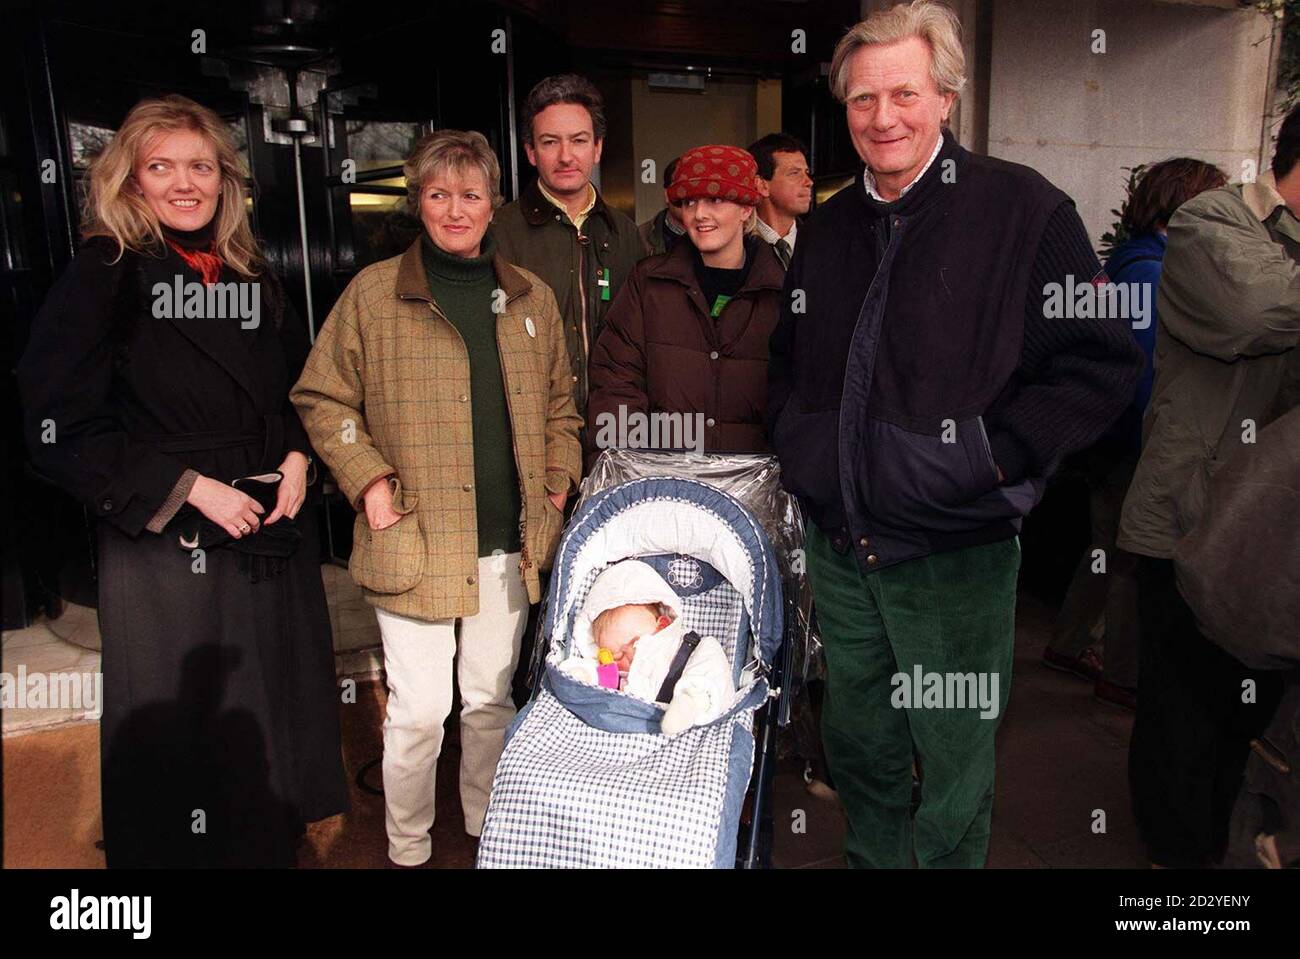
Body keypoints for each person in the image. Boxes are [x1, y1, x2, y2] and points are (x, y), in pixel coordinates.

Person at [766, 1, 1143, 868]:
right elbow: (788, 359)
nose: (883, 116)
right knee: (859, 746)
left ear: (946, 97)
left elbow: (1102, 359)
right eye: (863, 99)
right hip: (844, 547)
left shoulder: (1024, 212)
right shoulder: (824, 229)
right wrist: (803, 443)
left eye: (904, 92)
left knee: (954, 760)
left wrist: (991, 455)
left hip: (956, 554)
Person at [17, 94, 348, 867]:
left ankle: (267, 839)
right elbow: (55, 424)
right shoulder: (104, 270)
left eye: (200, 166)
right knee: (192, 720)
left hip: (267, 522)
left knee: (270, 704)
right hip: (170, 537)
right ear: (130, 182)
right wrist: (189, 488)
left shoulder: (249, 270)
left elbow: (297, 385)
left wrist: (300, 453)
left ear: (225, 180)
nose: (184, 184)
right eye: (161, 167)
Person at [290, 130, 583, 867]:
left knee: (489, 700)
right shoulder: (374, 292)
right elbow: (322, 397)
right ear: (418, 201)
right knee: (420, 712)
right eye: (439, 193)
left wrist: (557, 480)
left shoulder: (531, 297)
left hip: (507, 541)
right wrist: (369, 480)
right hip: (414, 538)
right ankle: (407, 843)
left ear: (493, 204)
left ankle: (487, 827)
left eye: (471, 194)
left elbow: (561, 407)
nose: (456, 209)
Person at [1117, 103, 1300, 869]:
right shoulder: (1212, 222)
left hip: (1272, 535)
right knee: (1182, 719)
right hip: (1191, 523)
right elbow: (1254, 308)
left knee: (1239, 721)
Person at [1044, 158, 1227, 710]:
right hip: (1130, 443)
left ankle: (1070, 644)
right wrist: (1152, 445)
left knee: (1109, 549)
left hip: (1121, 440)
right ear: (1186, 204)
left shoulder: (1143, 264)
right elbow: (1139, 373)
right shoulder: (1148, 272)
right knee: (1128, 556)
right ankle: (1120, 672)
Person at [587, 144, 784, 462]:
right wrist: (628, 477)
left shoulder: (781, 292)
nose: (699, 214)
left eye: (715, 200)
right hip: (664, 491)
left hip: (756, 493)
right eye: (689, 202)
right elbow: (616, 386)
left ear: (746, 208)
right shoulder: (649, 285)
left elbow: (798, 400)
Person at [492, 74, 647, 419]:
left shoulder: (626, 235)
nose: (565, 156)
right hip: (531, 426)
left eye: (578, 141)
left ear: (597, 148)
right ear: (531, 152)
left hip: (613, 429)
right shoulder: (497, 233)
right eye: (550, 142)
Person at [558, 559, 734, 735]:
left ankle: (693, 701)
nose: (627, 656)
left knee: (710, 652)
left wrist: (691, 696)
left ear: (662, 625)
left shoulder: (681, 644)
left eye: (635, 643)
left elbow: (711, 664)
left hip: (687, 695)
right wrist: (582, 674)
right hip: (636, 722)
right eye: (616, 655)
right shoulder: (618, 672)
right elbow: (595, 668)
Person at [747, 133, 813, 268]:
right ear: (762, 185)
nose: (809, 182)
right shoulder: (735, 248)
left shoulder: (823, 243)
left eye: (806, 173)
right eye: (794, 173)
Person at [638, 156, 687, 257]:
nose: (688, 195)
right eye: (680, 188)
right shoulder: (638, 238)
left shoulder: (720, 235)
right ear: (667, 195)